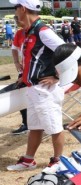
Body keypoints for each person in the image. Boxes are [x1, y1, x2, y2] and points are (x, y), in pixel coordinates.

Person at [7, 0, 66, 171]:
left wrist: (56, 76)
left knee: (54, 127)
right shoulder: (29, 31)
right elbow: (33, 59)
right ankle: (28, 160)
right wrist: (24, 75)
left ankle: (58, 161)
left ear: (23, 9)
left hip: (45, 89)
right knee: (35, 127)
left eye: (15, 7)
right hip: (33, 88)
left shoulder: (43, 31)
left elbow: (68, 51)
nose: (15, 12)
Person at [11, 15, 28, 135]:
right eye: (15, 20)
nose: (17, 22)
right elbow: (14, 48)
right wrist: (16, 62)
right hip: (24, 71)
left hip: (35, 73)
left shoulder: (38, 31)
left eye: (18, 19)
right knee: (21, 97)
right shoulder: (19, 33)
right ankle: (26, 123)